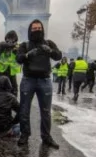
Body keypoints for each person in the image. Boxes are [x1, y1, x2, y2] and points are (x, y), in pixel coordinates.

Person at [16, 19, 62, 148]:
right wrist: (27, 55)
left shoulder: (49, 43)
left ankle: (46, 137)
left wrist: (50, 51)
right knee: (24, 110)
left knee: (46, 111)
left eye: (39, 28)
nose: (37, 30)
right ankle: (24, 135)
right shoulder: (24, 45)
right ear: (30, 30)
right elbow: (18, 59)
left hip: (45, 80)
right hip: (28, 80)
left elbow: (58, 56)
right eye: (34, 28)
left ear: (42, 29)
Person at [0, 30, 21, 96]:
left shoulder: (17, 47)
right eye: (8, 38)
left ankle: (13, 103)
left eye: (12, 39)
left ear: (15, 39)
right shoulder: (2, 45)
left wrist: (17, 48)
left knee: (14, 90)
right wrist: (13, 45)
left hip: (12, 71)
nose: (10, 40)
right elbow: (4, 45)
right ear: (6, 38)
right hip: (1, 71)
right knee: (0, 89)